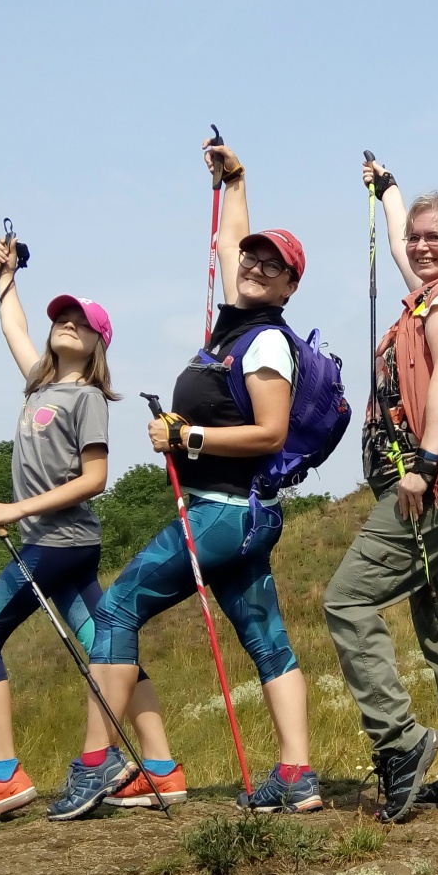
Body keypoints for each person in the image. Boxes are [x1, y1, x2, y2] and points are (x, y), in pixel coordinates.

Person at [46, 137, 319, 820]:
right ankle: (297, 774)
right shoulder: (237, 324)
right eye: (255, 258)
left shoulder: (263, 342)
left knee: (115, 610)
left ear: (291, 286)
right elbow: (229, 245)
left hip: (221, 513)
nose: (256, 266)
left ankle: (96, 759)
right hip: (243, 515)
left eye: (274, 265)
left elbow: (271, 432)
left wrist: (185, 435)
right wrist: (237, 181)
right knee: (268, 640)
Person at [0, 237, 162, 830]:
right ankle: (162, 766)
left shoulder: (88, 397)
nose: (66, 324)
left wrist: (15, 511)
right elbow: (13, 327)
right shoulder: (41, 387)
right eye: (60, 319)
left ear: (98, 342)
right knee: (107, 646)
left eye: (80, 322)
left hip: (57, 543)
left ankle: (3, 776)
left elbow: (95, 478)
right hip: (63, 547)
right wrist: (6, 277)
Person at [315, 159, 438, 824]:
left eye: (437, 239)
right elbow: (400, 241)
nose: (421, 246)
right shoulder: (429, 292)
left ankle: (399, 743)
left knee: (347, 598)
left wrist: (423, 466)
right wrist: (387, 188)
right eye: (418, 237)